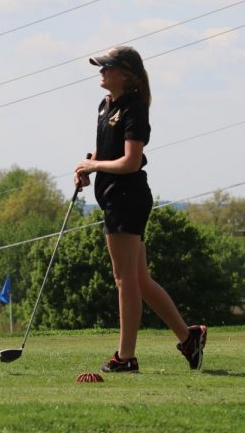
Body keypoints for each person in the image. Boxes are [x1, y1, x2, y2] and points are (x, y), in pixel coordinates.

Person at [74, 46, 206, 373]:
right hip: (115, 196)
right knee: (139, 279)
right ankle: (188, 338)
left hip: (127, 198)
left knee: (124, 280)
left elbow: (131, 161)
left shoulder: (134, 107)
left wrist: (94, 167)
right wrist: (89, 162)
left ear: (126, 73)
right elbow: (107, 149)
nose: (101, 72)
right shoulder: (106, 106)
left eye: (107, 67)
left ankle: (126, 356)